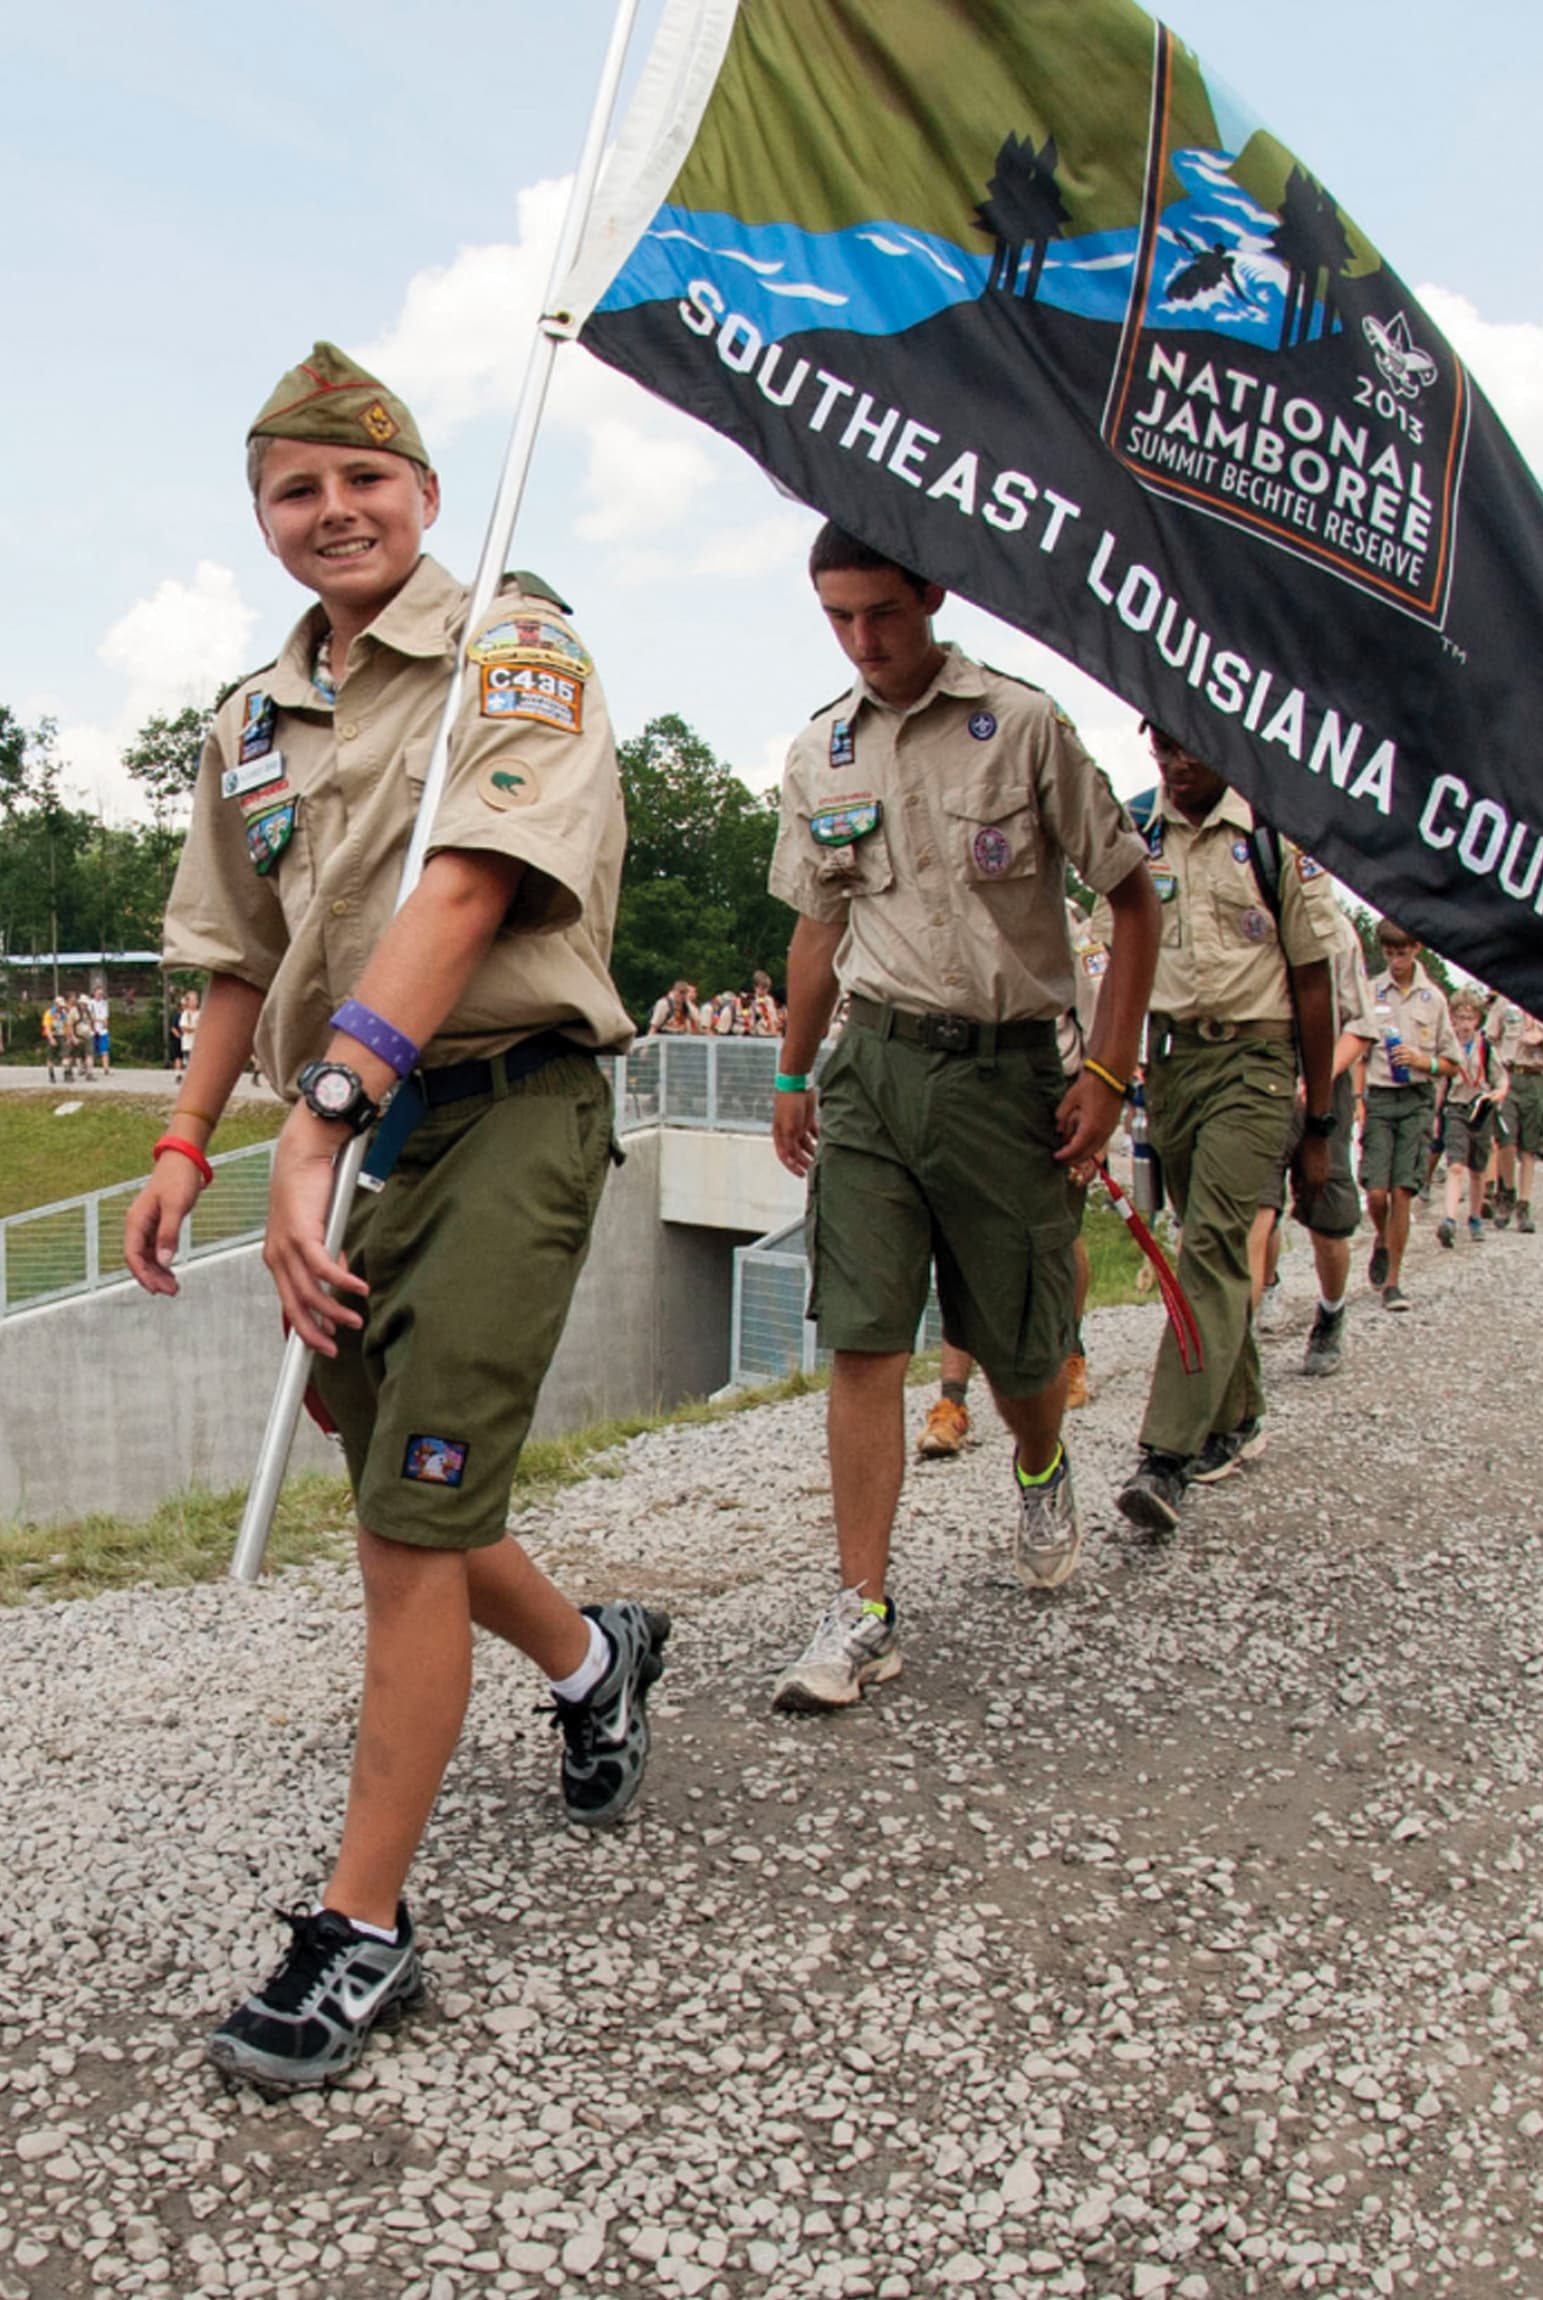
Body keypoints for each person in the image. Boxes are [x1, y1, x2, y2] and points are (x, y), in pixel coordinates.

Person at [122, 340, 664, 2093]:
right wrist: (191, 1144)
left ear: (425, 492)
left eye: (365, 481)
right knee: (404, 1482)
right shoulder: (246, 718)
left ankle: (364, 1928)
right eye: (296, 489)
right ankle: (594, 1665)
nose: (334, 512)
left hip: (500, 1110)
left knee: (412, 1519)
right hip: (345, 1153)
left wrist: (326, 1105)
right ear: (263, 518)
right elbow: (230, 951)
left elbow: (477, 878)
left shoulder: (515, 641)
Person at [767, 523, 1158, 1708]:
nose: (864, 639)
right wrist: (791, 1075)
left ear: (931, 590)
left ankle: (1041, 1462)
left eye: (882, 611)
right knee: (866, 1335)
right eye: (838, 617)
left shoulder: (1024, 724)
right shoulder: (820, 751)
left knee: (1021, 1345)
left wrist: (1107, 1070)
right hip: (874, 1072)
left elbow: (1131, 900)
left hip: (1006, 1080)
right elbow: (818, 927)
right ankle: (862, 1607)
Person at [1112, 725, 1338, 1534]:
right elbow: (1123, 958)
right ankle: (1238, 1415)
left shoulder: (1276, 837)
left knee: (1210, 1243)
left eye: (1188, 747)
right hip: (1174, 1066)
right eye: (1160, 746)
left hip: (1257, 1060)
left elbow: (1314, 984)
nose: (1174, 764)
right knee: (1197, 1240)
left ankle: (1163, 1458)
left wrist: (1319, 1123)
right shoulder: (1135, 833)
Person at [915, 900, 1110, 1457]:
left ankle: (1068, 1354)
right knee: (959, 1250)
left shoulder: (1069, 923)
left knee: (1058, 1242)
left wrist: (1096, 1118)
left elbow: (1100, 1020)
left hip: (1053, 1098)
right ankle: (952, 1402)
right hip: (971, 1095)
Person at [1249, 909, 1378, 1378]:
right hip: (1262, 1078)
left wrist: (1318, 1079)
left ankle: (1331, 1309)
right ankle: (1237, 1346)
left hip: (1326, 1079)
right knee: (1255, 1207)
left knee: (1327, 1222)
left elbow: (1360, 1026)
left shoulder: (1334, 930)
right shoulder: (1253, 914)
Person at [1360, 924, 1458, 1312]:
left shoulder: (1433, 999)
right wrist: (1356, 1097)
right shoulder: (1372, 991)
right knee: (1376, 1190)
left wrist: (1423, 1060)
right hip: (1380, 1096)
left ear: (1416, 949)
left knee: (1403, 1190)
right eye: (1388, 953)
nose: (1395, 962)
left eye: (1402, 953)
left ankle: (1393, 1282)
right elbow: (1359, 1044)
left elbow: (1453, 1063)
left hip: (1417, 1097)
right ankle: (1381, 1238)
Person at [1486, 998, 1543, 1230]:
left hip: (1535, 1079)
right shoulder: (1504, 1002)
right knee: (1505, 1139)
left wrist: (1542, 1040)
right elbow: (1490, 1037)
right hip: (1508, 1075)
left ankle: (1524, 1203)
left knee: (1530, 1146)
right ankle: (1507, 1191)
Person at [1435, 987, 1503, 1246]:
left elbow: (1500, 1080)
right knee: (1455, 1164)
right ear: (1452, 1018)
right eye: (1460, 1018)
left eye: (1469, 1018)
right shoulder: (1447, 1045)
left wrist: (1497, 1094)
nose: (1464, 1024)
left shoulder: (1485, 1046)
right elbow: (1441, 1082)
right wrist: (1435, 1115)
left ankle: (1474, 1216)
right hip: (1455, 1107)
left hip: (1480, 1108)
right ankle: (1449, 1219)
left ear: (1478, 1020)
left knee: (1478, 1168)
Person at [89, 981, 111, 1074]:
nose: (100, 995)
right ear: (94, 993)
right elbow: (90, 1017)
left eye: (101, 994)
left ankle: (106, 1068)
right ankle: (89, 1069)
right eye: (98, 994)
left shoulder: (104, 1003)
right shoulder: (90, 1003)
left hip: (102, 1030)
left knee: (104, 1050)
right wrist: (98, 1021)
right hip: (93, 1030)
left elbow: (106, 1017)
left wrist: (104, 1023)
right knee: (90, 1051)